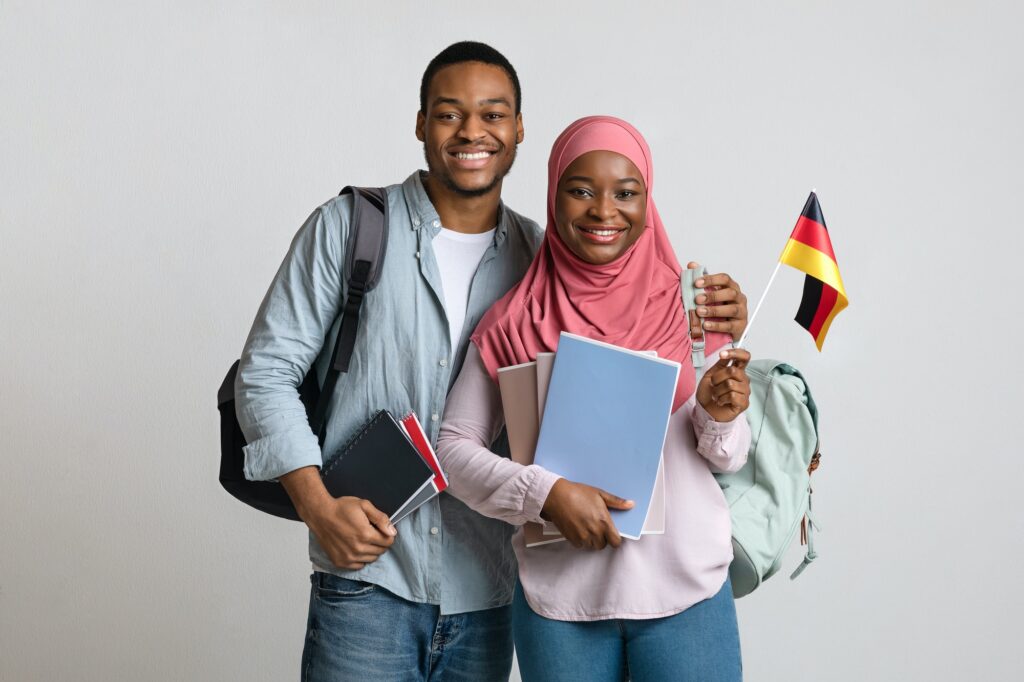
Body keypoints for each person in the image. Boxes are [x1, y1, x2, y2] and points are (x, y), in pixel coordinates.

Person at [436, 116, 752, 681]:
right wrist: (544, 493)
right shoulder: (512, 320)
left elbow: (728, 456)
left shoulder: (698, 309)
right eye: (581, 190)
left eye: (626, 193)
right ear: (554, 194)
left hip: (689, 594)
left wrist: (721, 416)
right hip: (560, 605)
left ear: (647, 200)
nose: (604, 211)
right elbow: (453, 450)